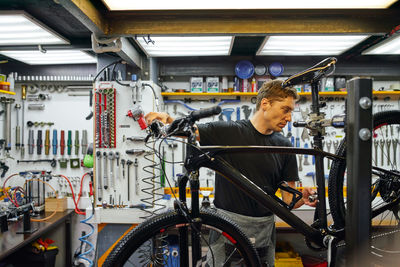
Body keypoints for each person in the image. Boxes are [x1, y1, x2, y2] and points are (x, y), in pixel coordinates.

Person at [145, 79, 316, 266]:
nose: (289, 118)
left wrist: (302, 198)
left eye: (291, 111)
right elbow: (188, 130)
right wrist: (167, 119)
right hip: (226, 230)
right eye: (286, 109)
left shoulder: (285, 147)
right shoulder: (229, 132)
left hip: (263, 233)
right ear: (265, 104)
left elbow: (288, 201)